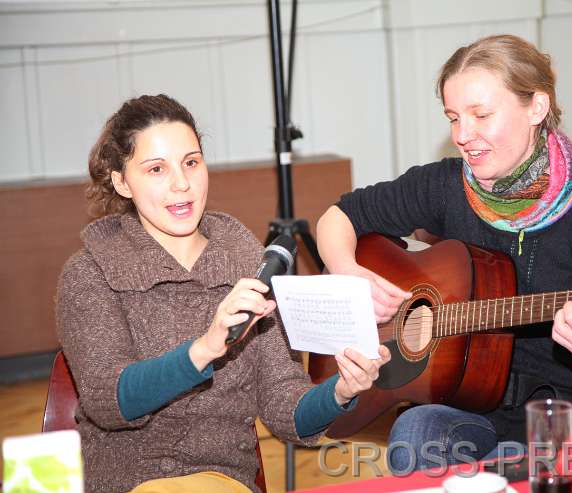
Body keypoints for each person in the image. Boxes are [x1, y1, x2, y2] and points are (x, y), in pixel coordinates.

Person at [316, 34, 572, 473]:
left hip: (561, 418)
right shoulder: (445, 186)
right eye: (453, 117)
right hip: (466, 408)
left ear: (537, 107)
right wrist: (347, 270)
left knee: (520, 471)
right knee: (415, 434)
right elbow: (337, 217)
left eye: (481, 115)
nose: (462, 136)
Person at [56, 94, 391, 493]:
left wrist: (340, 390)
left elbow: (284, 405)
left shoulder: (249, 262)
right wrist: (206, 347)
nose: (181, 184)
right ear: (121, 181)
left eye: (191, 162)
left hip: (222, 479)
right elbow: (108, 401)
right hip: (127, 481)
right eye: (156, 169)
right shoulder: (90, 272)